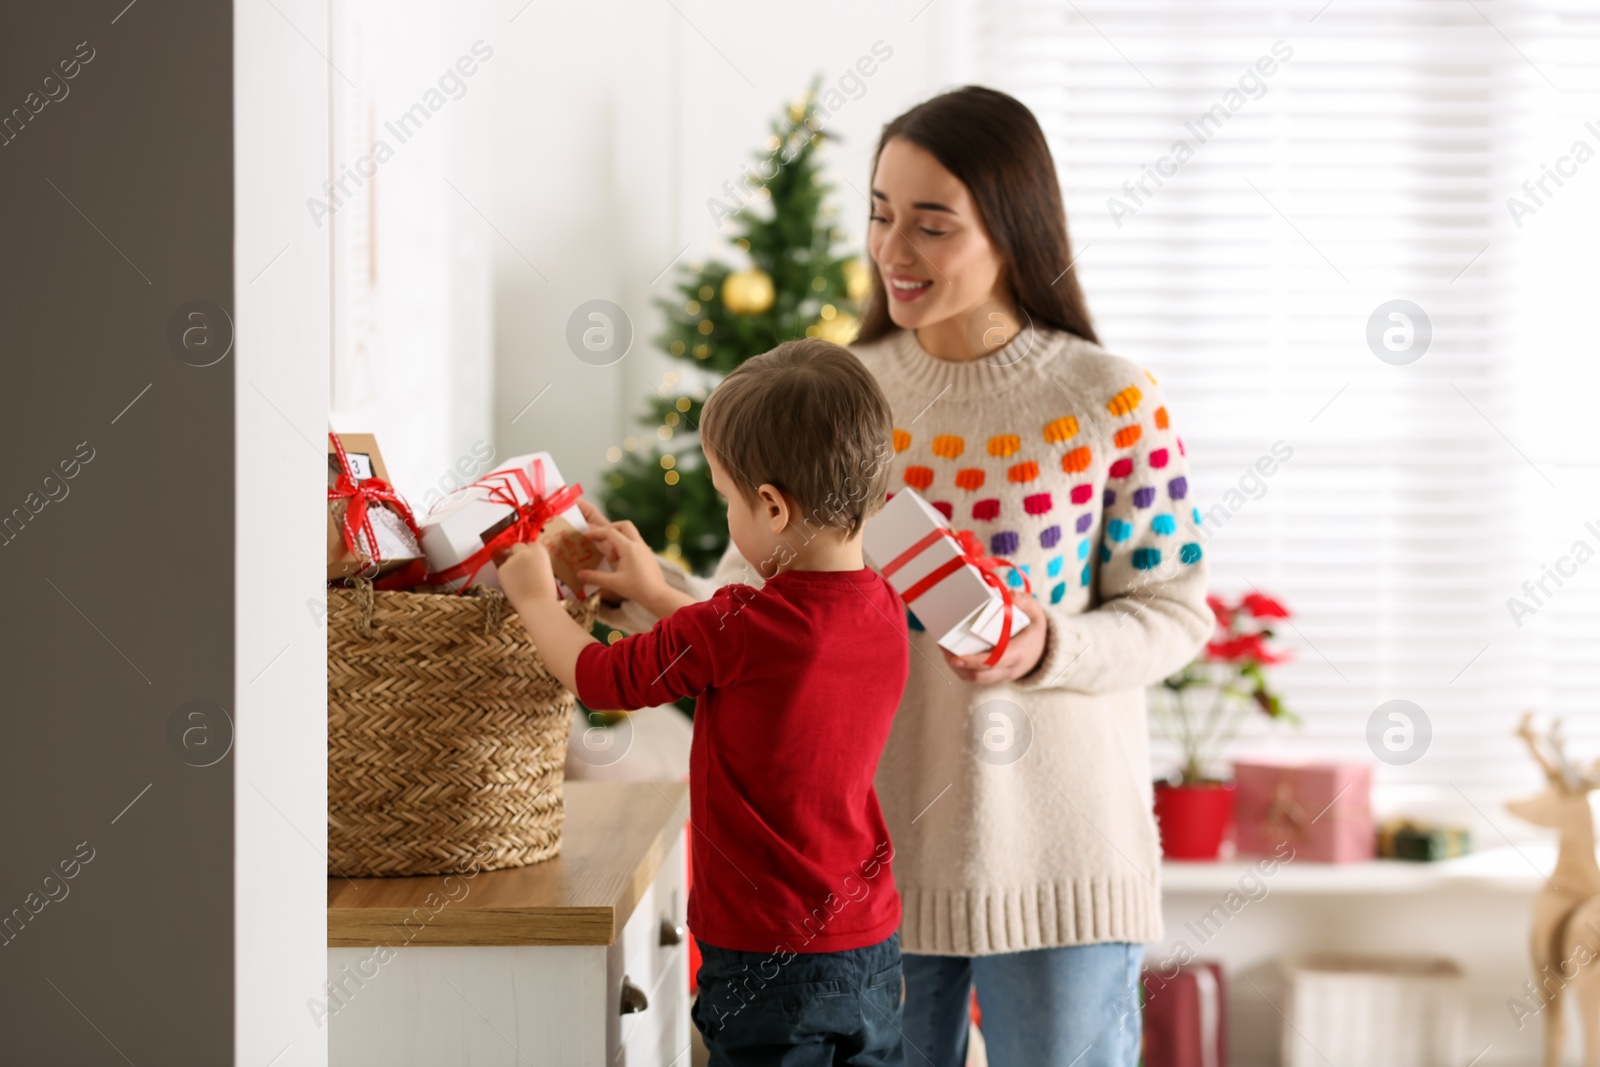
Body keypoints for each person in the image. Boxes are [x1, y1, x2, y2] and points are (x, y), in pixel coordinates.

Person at [600, 86, 1212, 1066]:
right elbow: (746, 601)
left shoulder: (1110, 399)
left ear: (1013, 229)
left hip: (1059, 859)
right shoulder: (840, 389)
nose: (893, 249)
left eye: (931, 223)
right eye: (881, 212)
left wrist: (1044, 641)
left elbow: (1174, 612)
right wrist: (633, 583)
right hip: (862, 873)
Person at [497, 338, 911, 1067]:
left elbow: (600, 678)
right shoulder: (880, 605)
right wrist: (656, 591)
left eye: (726, 498)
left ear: (774, 507)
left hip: (767, 950)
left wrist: (534, 600)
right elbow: (752, 660)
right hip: (868, 943)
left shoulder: (739, 623)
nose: (726, 514)